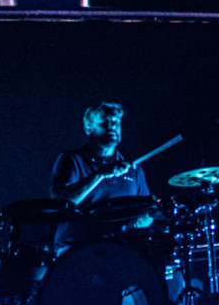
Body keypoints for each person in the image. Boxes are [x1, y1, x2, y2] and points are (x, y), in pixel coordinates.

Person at [49, 101, 153, 248]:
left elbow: (146, 212)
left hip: (119, 248)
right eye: (105, 123)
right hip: (77, 248)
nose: (112, 127)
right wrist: (100, 174)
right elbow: (61, 201)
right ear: (88, 128)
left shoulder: (133, 169)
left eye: (116, 122)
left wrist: (142, 220)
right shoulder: (71, 160)